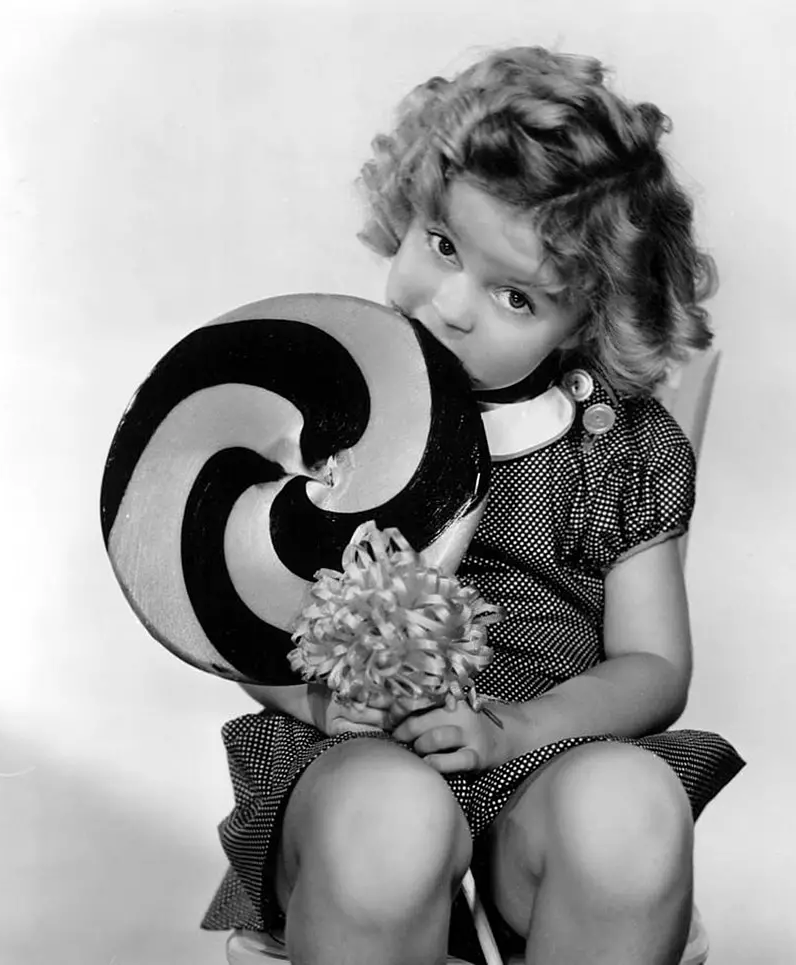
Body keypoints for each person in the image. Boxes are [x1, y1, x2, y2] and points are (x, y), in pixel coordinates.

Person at [202, 46, 744, 965]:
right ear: (407, 206)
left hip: (539, 760)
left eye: (516, 296)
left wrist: (518, 729)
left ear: (591, 319)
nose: (451, 307)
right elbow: (229, 619)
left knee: (629, 811)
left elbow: (653, 665)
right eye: (443, 245)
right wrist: (312, 698)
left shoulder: (616, 446)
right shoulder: (321, 410)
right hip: (355, 767)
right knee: (388, 824)